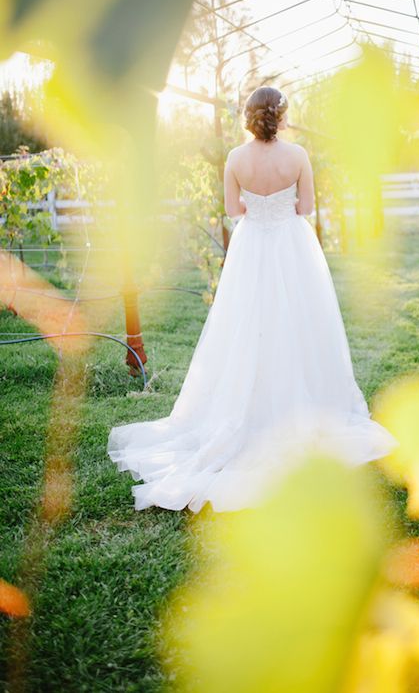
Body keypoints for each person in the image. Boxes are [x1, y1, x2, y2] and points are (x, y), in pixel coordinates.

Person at [107, 86, 396, 512]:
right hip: (292, 247)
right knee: (299, 324)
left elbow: (231, 209)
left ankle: (245, 405)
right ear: (281, 116)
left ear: (248, 117)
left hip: (251, 248)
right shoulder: (297, 155)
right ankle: (303, 404)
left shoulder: (234, 159)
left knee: (244, 325)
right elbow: (306, 209)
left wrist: (256, 204)